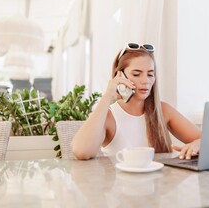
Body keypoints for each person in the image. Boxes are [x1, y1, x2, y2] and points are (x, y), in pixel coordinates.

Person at [72, 43, 201, 160]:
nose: (146, 81)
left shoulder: (162, 110)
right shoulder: (110, 116)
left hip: (159, 184)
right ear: (120, 76)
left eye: (150, 74)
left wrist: (198, 144)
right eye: (136, 74)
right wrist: (108, 95)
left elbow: (207, 141)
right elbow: (82, 152)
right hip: (121, 185)